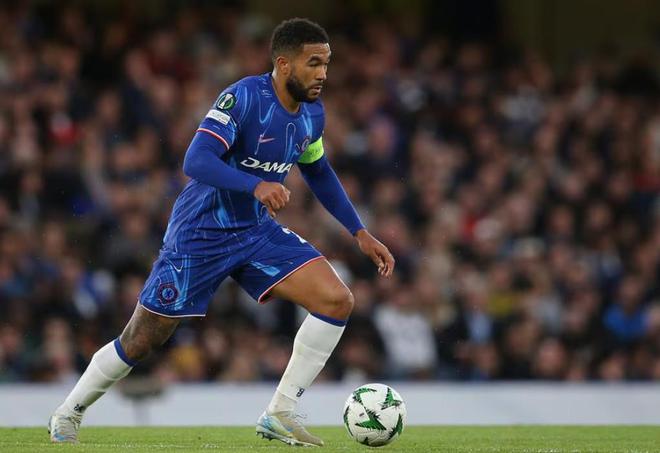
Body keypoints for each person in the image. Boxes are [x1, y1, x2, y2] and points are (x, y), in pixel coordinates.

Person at [48, 18, 395, 447]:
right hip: (201, 232)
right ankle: (69, 411)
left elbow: (318, 170)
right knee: (142, 339)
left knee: (337, 299)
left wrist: (359, 231)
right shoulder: (243, 98)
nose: (323, 73)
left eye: (326, 63)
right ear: (284, 64)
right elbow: (196, 160)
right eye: (314, 63)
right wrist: (255, 185)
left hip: (256, 231)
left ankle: (280, 412)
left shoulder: (313, 114)